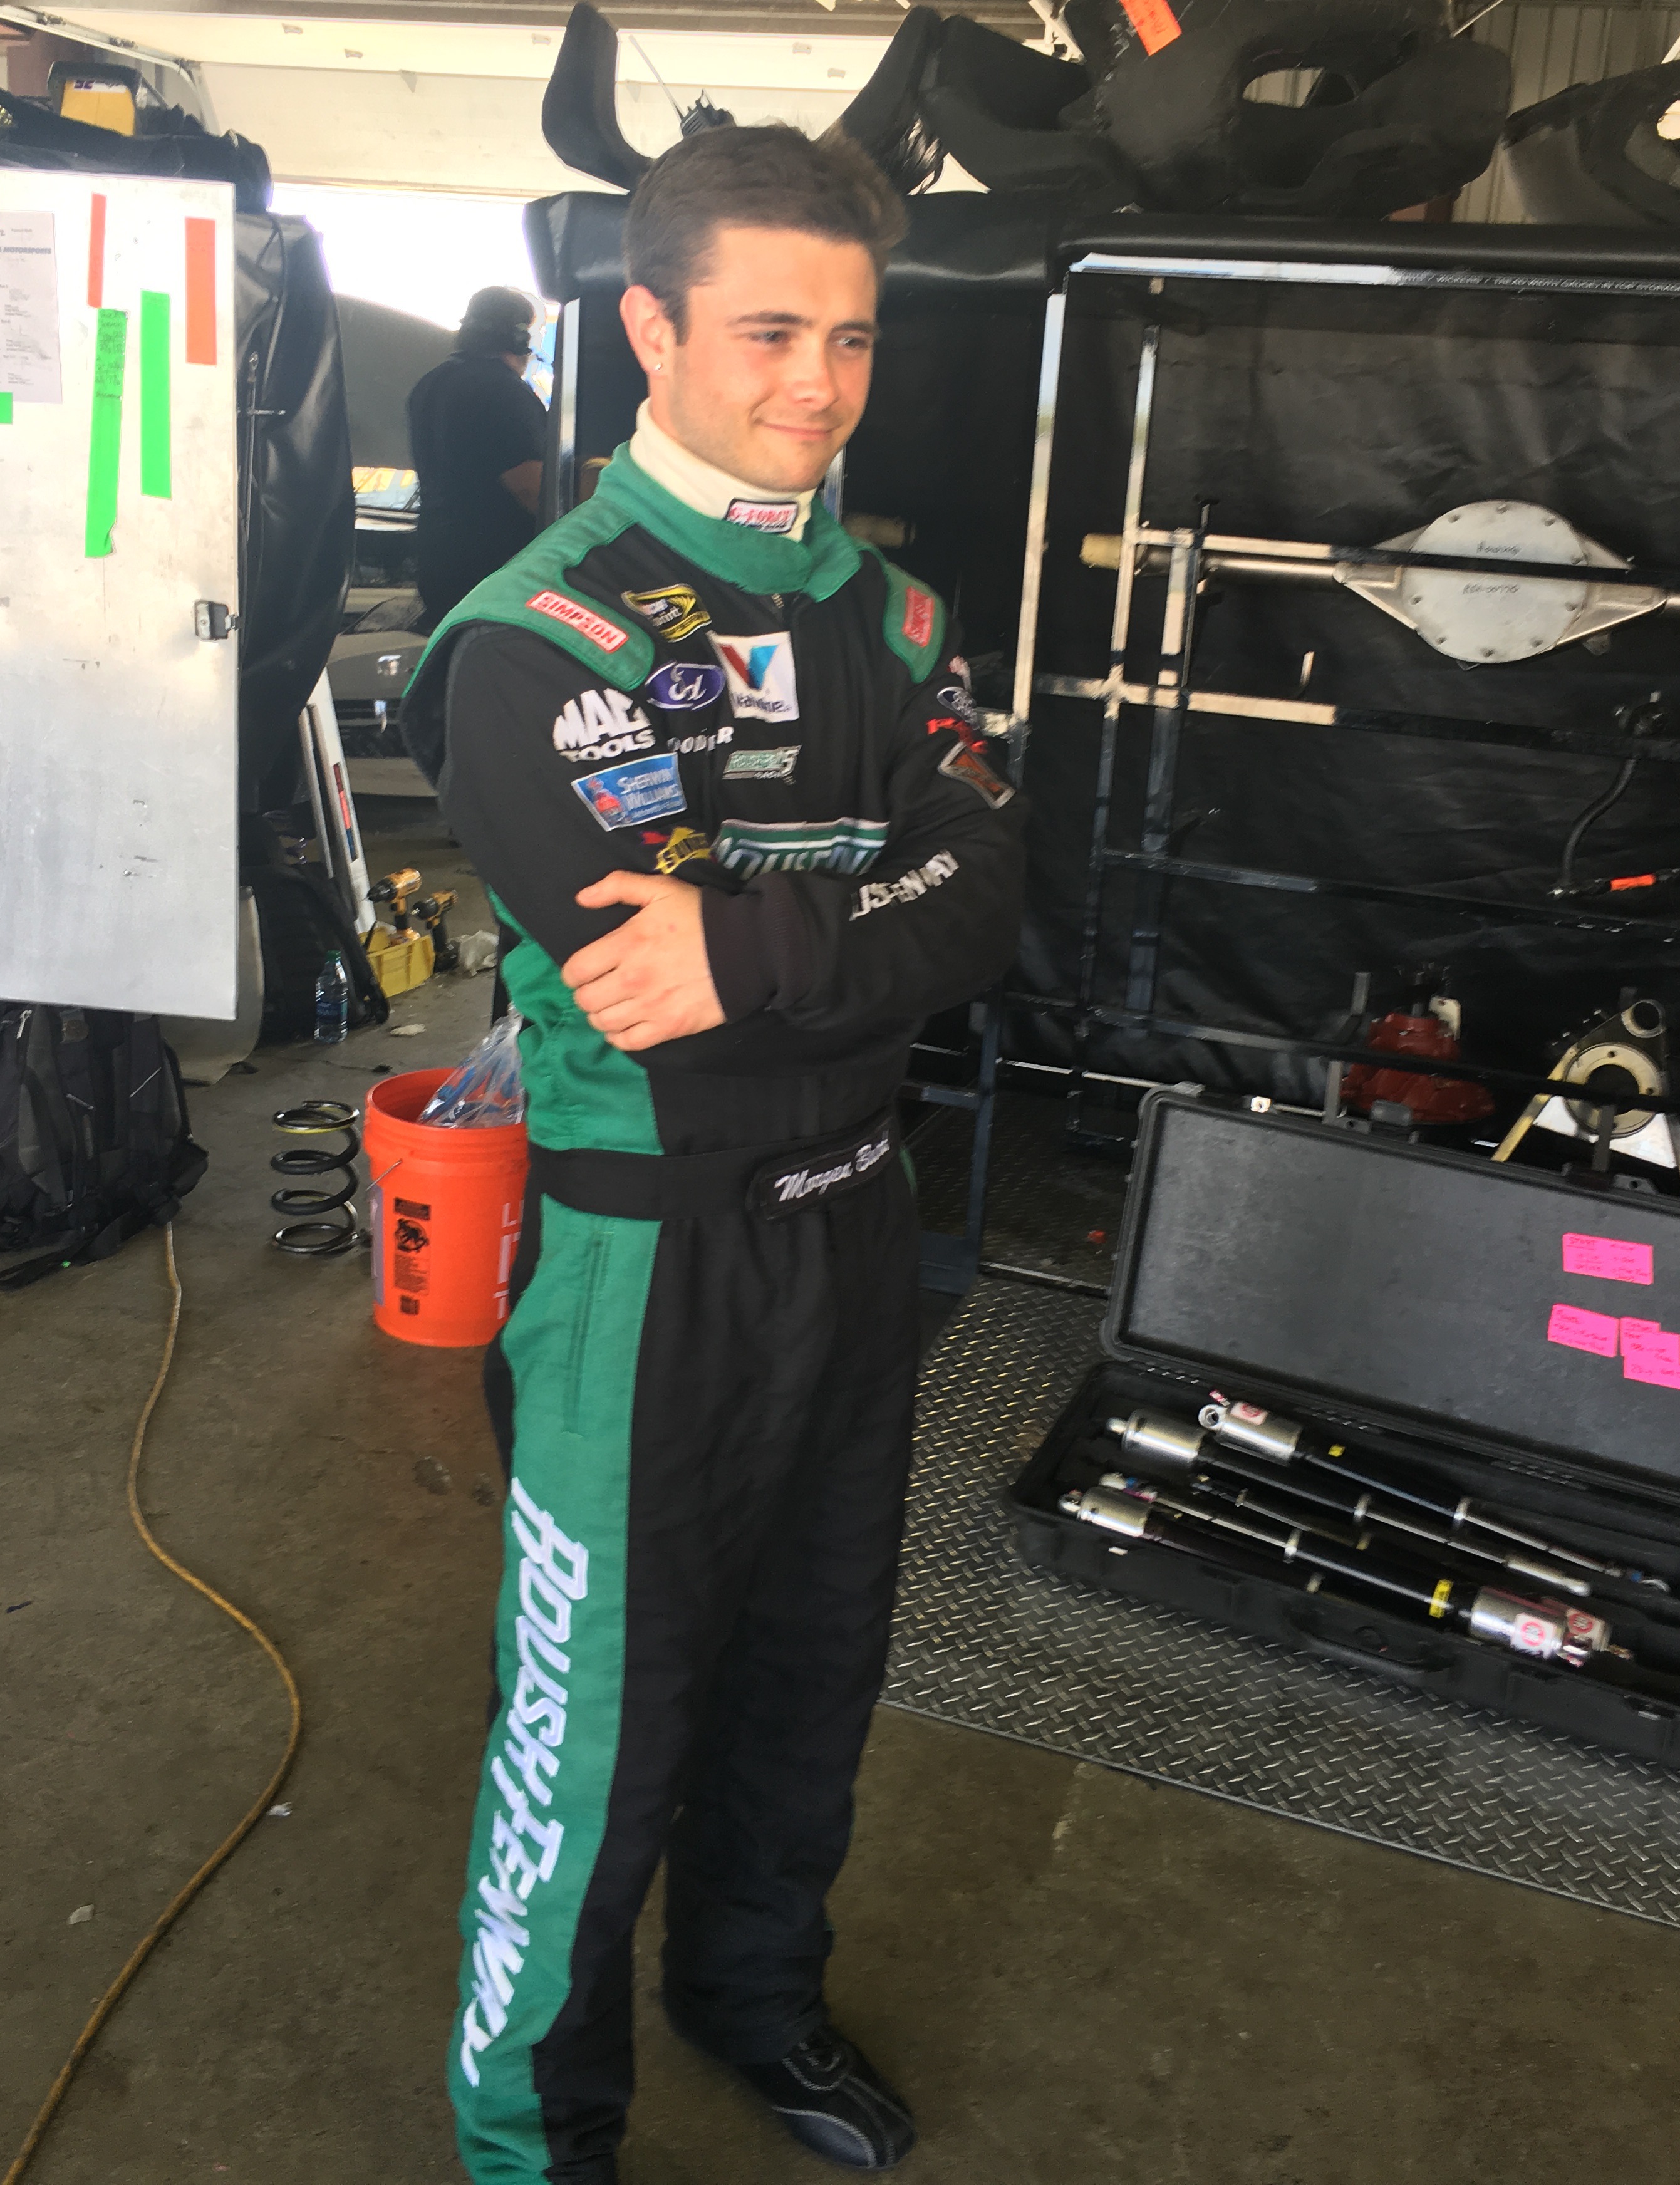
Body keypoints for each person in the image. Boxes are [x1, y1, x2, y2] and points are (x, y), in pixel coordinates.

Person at [401, 123, 1027, 2185]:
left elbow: (986, 902)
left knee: (814, 1667)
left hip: (857, 1234)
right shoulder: (535, 638)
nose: (818, 386)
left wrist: (762, 934)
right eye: (769, 332)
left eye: (851, 338)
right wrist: (859, 922)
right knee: (599, 1731)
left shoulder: (894, 613)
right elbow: (650, 984)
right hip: (644, 1263)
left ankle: (749, 1995)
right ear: (650, 328)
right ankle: (534, 2141)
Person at [409, 285, 550, 628]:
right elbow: (531, 489)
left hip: (440, 563)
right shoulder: (504, 392)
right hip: (494, 571)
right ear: (520, 338)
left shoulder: (431, 384)